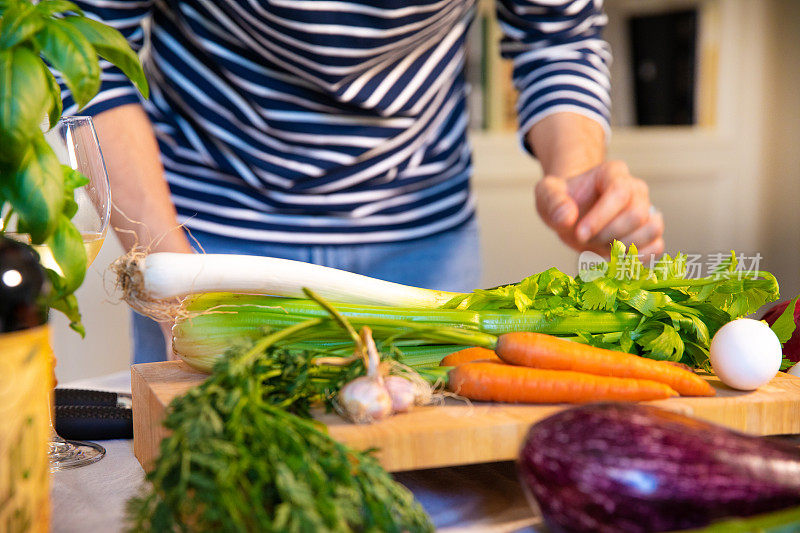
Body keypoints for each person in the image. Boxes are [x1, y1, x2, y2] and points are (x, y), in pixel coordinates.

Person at [62, 0, 664, 364]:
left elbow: (557, 34)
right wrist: (178, 279)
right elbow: (85, 44)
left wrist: (576, 174)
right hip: (204, 243)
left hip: (420, 238)